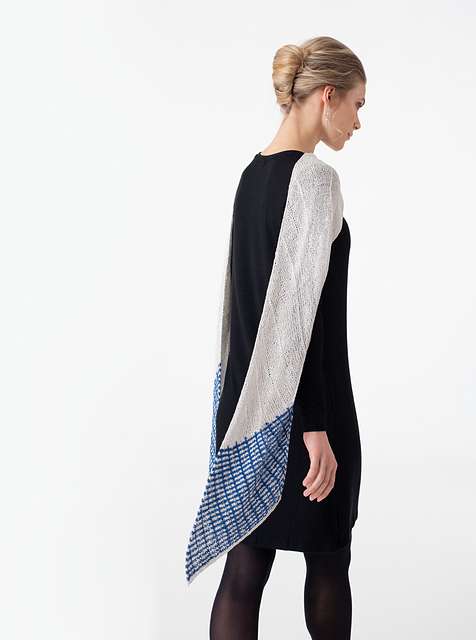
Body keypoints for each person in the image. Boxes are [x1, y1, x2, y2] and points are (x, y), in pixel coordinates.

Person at [185, 36, 366, 640]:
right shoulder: (314, 180)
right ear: (327, 96)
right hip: (311, 412)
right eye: (356, 105)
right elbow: (301, 314)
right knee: (329, 563)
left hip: (250, 406)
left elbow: (247, 308)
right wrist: (314, 426)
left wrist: (234, 411)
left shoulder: (251, 176)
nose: (358, 123)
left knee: (244, 570)